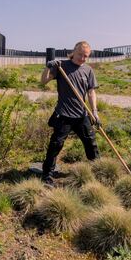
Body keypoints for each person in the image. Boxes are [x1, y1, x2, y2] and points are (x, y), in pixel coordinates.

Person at [41, 41, 100, 185]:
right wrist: (48, 67)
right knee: (56, 145)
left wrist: (95, 112)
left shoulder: (88, 70)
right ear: (74, 51)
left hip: (82, 115)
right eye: (80, 54)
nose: (83, 58)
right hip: (64, 115)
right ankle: (47, 175)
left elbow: (91, 92)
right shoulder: (61, 66)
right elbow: (43, 81)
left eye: (86, 56)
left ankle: (99, 170)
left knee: (91, 143)